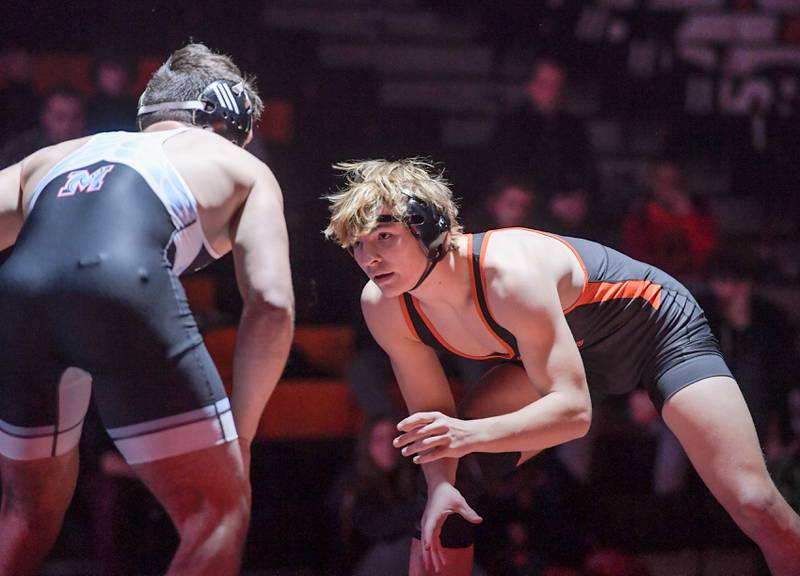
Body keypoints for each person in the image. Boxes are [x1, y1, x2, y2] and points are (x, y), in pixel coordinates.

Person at [323, 158, 800, 576]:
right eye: (357, 245)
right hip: (563, 355)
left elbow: (574, 414)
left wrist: (463, 436)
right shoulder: (384, 305)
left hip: (654, 332)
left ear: (429, 228)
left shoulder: (507, 275)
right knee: (447, 490)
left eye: (384, 237)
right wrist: (441, 484)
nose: (369, 258)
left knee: (753, 501)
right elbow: (435, 426)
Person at [0, 43, 294, 576]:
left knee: (25, 516)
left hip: (18, 301)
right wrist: (241, 438)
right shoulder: (241, 166)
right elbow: (271, 304)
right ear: (226, 120)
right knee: (218, 511)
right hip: (120, 290)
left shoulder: (54, 155)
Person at [0, 85, 86, 167]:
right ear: (45, 118)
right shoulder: (21, 150)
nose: (68, 125)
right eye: (60, 118)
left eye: (75, 118)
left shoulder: (91, 149)